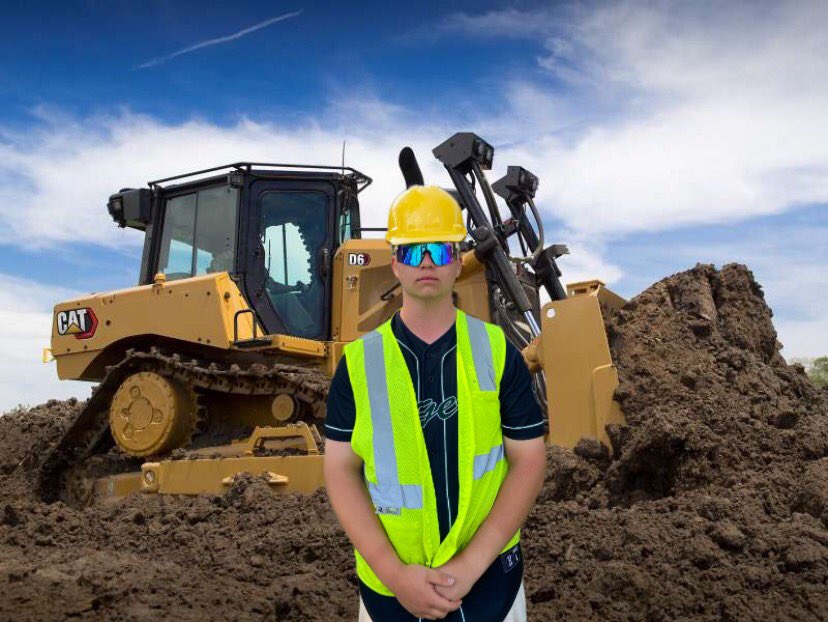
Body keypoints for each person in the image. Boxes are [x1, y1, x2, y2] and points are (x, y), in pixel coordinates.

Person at [324, 185, 547, 621]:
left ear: (457, 260)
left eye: (440, 251)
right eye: (412, 251)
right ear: (395, 264)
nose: (426, 262)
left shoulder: (497, 351)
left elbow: (529, 459)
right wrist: (395, 575)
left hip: (489, 585)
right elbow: (340, 469)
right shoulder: (358, 363)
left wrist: (470, 564)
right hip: (392, 593)